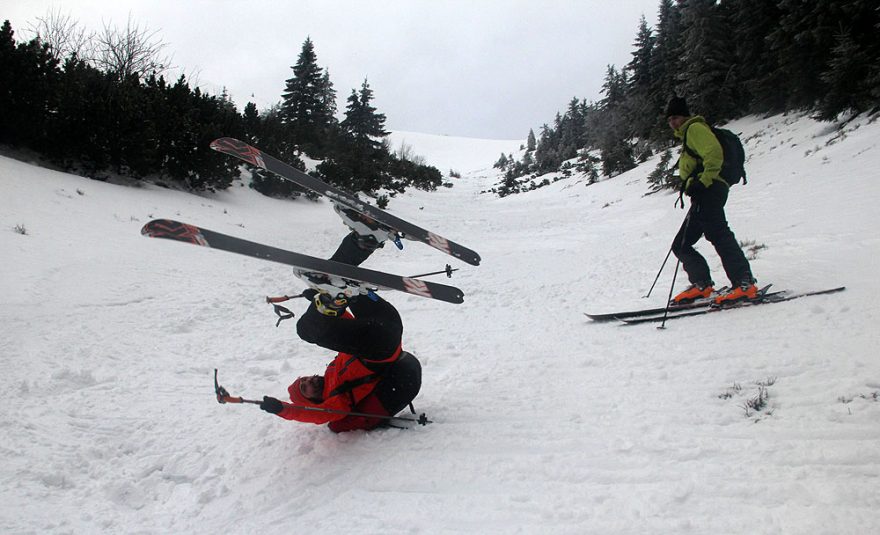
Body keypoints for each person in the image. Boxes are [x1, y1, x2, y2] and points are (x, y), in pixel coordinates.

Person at [259, 226, 422, 432]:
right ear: (310, 400)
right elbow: (313, 416)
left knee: (342, 278)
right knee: (305, 330)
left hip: (388, 324)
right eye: (304, 387)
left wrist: (333, 307)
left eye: (304, 379)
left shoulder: (332, 369)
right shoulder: (335, 402)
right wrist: (283, 410)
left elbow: (345, 330)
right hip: (381, 348)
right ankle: (330, 298)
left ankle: (364, 240)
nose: (308, 379)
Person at [665, 96, 758, 306]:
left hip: (710, 189)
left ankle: (744, 283)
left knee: (718, 233)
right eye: (669, 119)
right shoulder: (688, 135)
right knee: (681, 244)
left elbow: (713, 153)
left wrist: (703, 181)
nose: (673, 122)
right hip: (704, 192)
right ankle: (702, 285)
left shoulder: (695, 129)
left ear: (685, 116)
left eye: (676, 117)